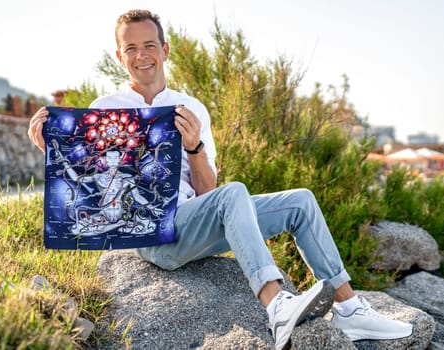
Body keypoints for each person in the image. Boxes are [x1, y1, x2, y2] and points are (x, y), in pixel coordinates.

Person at [28, 9, 413, 349]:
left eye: (149, 45)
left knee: (300, 201)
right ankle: (277, 306)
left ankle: (348, 307)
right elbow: (91, 194)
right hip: (151, 235)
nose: (141, 56)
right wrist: (53, 151)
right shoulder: (102, 110)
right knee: (235, 195)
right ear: (119, 56)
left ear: (166, 49)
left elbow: (207, 193)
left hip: (192, 219)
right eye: (130, 48)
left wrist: (194, 148)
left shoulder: (191, 107)